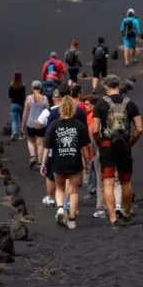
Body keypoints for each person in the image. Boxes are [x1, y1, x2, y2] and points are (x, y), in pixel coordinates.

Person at [92, 75, 143, 226]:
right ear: (119, 86)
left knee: (108, 182)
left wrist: (99, 142)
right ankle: (126, 213)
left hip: (107, 146)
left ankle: (113, 217)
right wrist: (130, 143)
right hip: (124, 146)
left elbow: (95, 129)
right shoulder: (130, 103)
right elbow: (139, 129)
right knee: (125, 182)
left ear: (106, 87)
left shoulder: (100, 104)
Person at [41, 96, 90, 230]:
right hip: (74, 162)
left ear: (61, 109)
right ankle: (72, 220)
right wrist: (87, 163)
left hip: (58, 162)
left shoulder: (53, 125)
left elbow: (46, 146)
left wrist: (43, 164)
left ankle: (61, 208)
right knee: (73, 191)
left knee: (59, 188)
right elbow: (84, 148)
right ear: (74, 110)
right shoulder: (80, 126)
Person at [36, 85, 88, 210]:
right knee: (73, 186)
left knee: (54, 180)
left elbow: (39, 126)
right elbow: (85, 142)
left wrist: (42, 163)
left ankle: (53, 200)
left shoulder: (51, 112)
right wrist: (87, 161)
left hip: (55, 153)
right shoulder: (80, 113)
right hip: (74, 152)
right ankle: (69, 209)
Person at [21, 80, 49, 168]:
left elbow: (25, 111)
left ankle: (33, 156)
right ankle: (40, 162)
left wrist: (23, 124)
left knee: (30, 141)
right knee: (40, 143)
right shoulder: (44, 98)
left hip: (30, 123)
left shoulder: (28, 98)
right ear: (40, 88)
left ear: (32, 88)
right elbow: (48, 111)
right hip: (41, 124)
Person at [8, 72, 26, 142]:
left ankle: (14, 132)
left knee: (14, 120)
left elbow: (10, 95)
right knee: (22, 120)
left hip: (14, 104)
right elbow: (24, 96)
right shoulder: (23, 86)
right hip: (21, 104)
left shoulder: (11, 86)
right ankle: (21, 134)